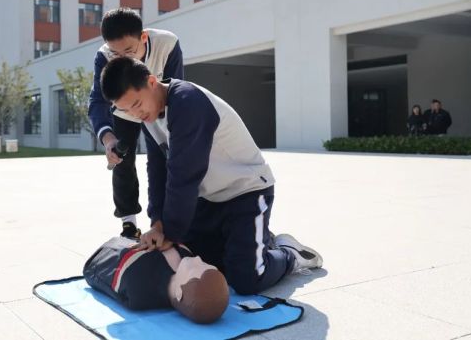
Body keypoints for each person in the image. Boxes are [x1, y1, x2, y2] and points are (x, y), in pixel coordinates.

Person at [100, 57, 323, 295]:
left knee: (247, 279)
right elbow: (157, 170)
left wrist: (171, 231)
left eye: (136, 104)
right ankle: (258, 238)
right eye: (127, 110)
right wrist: (157, 223)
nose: (136, 113)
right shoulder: (150, 114)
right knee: (192, 260)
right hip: (209, 199)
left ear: (151, 82)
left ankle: (289, 253)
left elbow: (184, 175)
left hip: (246, 192)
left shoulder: (187, 102)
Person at [88, 8, 184, 239]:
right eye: (116, 53)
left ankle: (159, 222)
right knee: (122, 162)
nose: (123, 59)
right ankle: (128, 222)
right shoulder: (103, 56)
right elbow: (97, 100)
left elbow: (176, 89)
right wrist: (108, 139)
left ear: (143, 37)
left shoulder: (167, 44)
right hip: (123, 114)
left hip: (156, 109)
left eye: (129, 51)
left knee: (160, 161)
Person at [83, 236, 229, 324]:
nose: (197, 258)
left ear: (179, 292)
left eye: (196, 267)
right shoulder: (186, 256)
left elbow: (99, 268)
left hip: (113, 248)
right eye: (204, 263)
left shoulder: (137, 288)